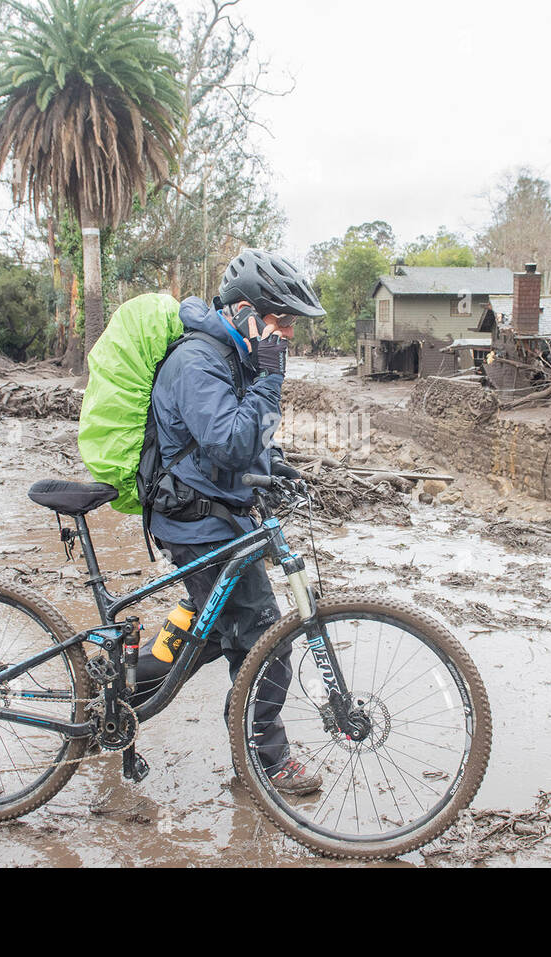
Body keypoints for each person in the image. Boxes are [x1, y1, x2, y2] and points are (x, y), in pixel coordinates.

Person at [140, 249, 326, 795]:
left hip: (219, 517)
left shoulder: (233, 354)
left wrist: (278, 466)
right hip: (198, 523)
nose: (288, 334)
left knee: (217, 633)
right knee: (264, 635)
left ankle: (124, 689)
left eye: (292, 325)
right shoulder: (198, 360)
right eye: (281, 321)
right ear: (245, 311)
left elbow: (242, 442)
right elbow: (229, 440)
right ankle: (264, 761)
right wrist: (271, 381)